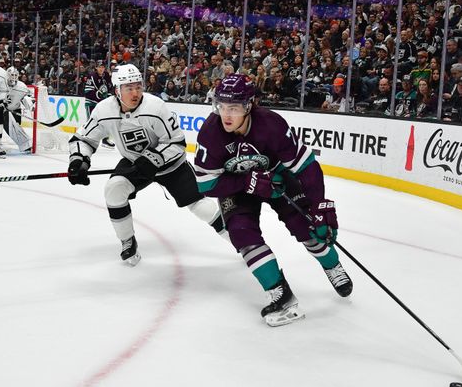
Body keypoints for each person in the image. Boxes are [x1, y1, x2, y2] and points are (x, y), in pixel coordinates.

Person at [193, 74, 352, 327]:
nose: (226, 115)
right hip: (236, 188)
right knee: (242, 234)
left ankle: (332, 265)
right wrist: (246, 182)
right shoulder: (211, 133)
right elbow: (205, 184)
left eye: (233, 107)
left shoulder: (271, 124)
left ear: (249, 105)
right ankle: (281, 294)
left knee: (306, 227)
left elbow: (307, 167)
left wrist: (319, 205)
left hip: (278, 179)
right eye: (221, 106)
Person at [67, 63, 226, 265]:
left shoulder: (155, 107)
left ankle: (241, 242)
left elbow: (177, 143)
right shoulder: (103, 110)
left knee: (201, 206)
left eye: (138, 87)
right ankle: (127, 241)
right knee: (114, 189)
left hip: (171, 166)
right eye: (129, 88)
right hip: (135, 163)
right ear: (117, 90)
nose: (135, 93)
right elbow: (84, 139)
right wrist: (78, 160)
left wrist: (154, 158)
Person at [84, 61, 115, 148]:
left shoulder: (106, 76)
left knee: (106, 121)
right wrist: (99, 95)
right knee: (92, 121)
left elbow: (110, 88)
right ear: (96, 68)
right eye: (99, 67)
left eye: (103, 67)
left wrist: (108, 97)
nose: (101, 69)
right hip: (91, 102)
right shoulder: (92, 76)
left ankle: (105, 140)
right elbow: (87, 92)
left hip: (102, 103)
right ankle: (87, 138)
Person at [3, 66, 33, 153]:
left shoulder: (21, 86)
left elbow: (28, 97)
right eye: (12, 75)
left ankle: (25, 144)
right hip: (1, 110)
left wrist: (30, 104)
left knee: (16, 128)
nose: (14, 77)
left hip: (15, 110)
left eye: (16, 75)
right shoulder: (1, 83)